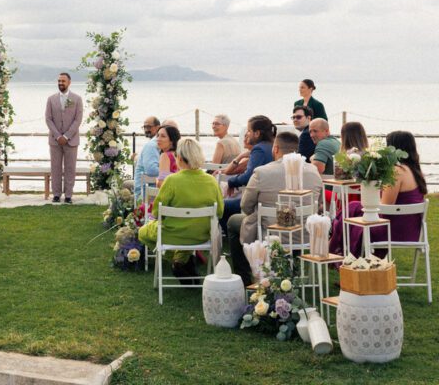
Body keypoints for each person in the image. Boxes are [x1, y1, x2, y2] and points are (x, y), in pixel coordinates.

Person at [226, 132, 323, 285]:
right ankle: (292, 269)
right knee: (295, 222)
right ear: (296, 150)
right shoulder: (313, 171)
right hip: (304, 234)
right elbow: (319, 204)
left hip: (268, 232)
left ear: (276, 148)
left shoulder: (262, 172)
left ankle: (245, 277)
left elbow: (245, 206)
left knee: (233, 222)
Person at [331, 131, 427, 258]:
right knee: (354, 208)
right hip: (411, 231)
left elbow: (385, 207)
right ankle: (336, 248)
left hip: (392, 231)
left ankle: (335, 249)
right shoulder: (416, 171)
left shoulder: (397, 171)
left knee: (353, 210)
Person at [138, 138, 224, 279]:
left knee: (142, 232)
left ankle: (176, 259)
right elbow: (219, 211)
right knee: (186, 239)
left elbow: (157, 212)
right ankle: (181, 260)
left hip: (172, 234)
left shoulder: (172, 181)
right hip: (200, 235)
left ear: (179, 157)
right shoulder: (211, 181)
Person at [222, 116, 276, 230]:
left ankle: (235, 237)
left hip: (257, 200)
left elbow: (248, 176)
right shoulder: (271, 146)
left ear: (257, 133)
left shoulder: (259, 149)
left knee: (222, 206)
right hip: (269, 198)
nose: (247, 133)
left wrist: (231, 182)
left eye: (249, 131)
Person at [45, 72, 83, 204]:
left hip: (71, 140)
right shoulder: (51, 99)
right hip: (55, 141)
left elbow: (78, 120)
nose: (60, 83)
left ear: (69, 82)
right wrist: (58, 136)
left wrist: (66, 136)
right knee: (55, 168)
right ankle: (56, 194)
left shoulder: (77, 99)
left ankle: (68, 195)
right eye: (59, 81)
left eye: (63, 81)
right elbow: (48, 119)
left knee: (70, 168)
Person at [129, 116, 160, 200]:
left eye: (149, 127)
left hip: (147, 190)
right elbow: (151, 170)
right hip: (145, 190)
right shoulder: (152, 145)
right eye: (144, 127)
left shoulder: (152, 144)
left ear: (158, 127)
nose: (146, 130)